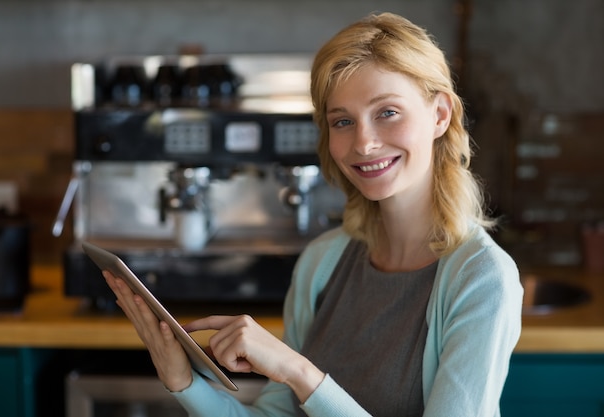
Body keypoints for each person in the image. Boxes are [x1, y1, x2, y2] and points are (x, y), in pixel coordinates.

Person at [104, 12, 523, 417]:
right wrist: (186, 383)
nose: (364, 143)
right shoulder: (322, 262)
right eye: (342, 121)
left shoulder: (482, 278)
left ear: (440, 114)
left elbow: (301, 384)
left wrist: (300, 373)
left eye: (387, 113)